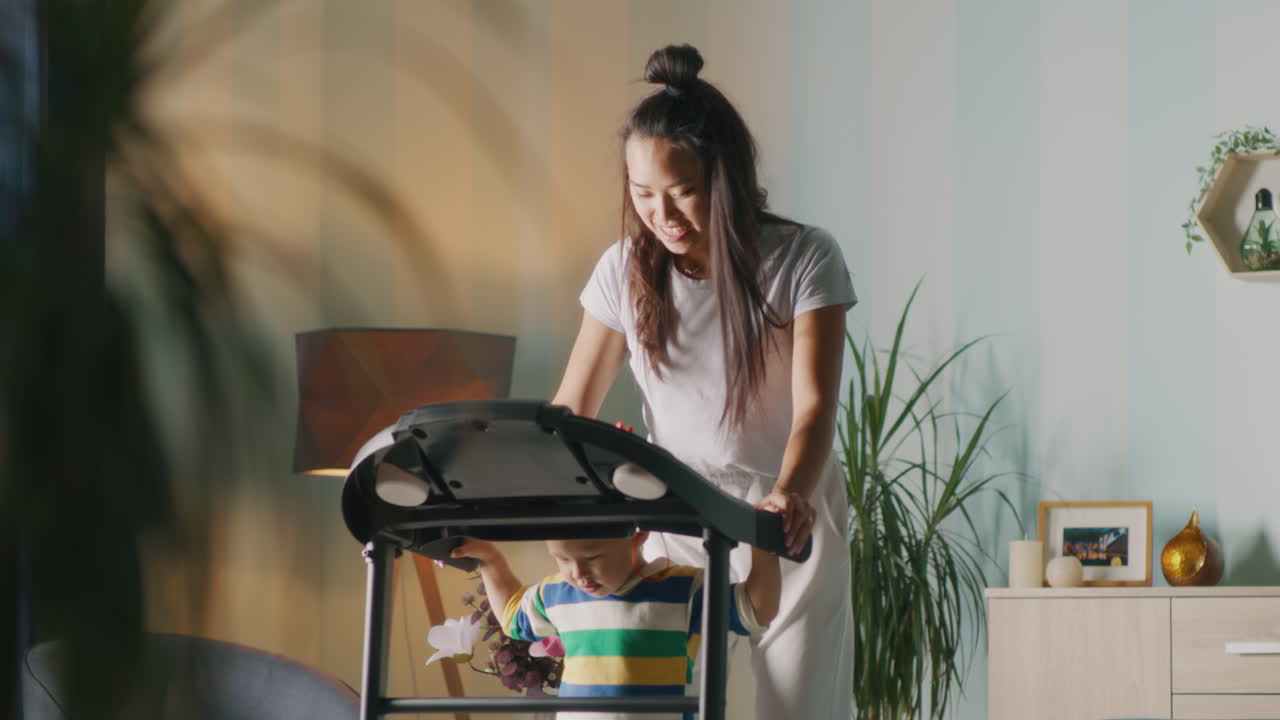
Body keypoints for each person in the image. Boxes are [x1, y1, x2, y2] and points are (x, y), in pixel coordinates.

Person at [549, 44, 856, 719]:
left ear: (724, 178)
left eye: (681, 190)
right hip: (677, 520)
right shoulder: (623, 269)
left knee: (800, 710)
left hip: (786, 517)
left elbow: (813, 411)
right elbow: (570, 410)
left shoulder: (804, 257)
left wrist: (788, 497)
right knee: (651, 708)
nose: (661, 214)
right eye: (642, 193)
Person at [451, 524, 785, 720]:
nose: (578, 573)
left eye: (592, 558)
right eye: (562, 559)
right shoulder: (556, 592)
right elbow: (512, 617)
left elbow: (754, 612)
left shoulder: (683, 586)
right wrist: (490, 561)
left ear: (638, 537)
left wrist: (763, 549)